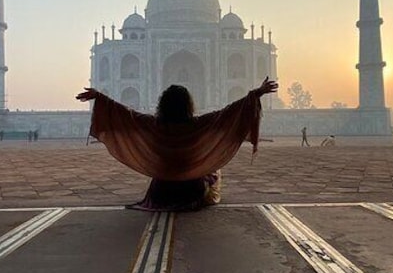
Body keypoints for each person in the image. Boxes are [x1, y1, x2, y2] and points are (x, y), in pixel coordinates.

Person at [76, 77, 278, 212]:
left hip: (160, 192)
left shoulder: (153, 125)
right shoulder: (197, 125)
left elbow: (124, 114)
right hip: (191, 191)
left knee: (202, 171)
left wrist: (99, 97)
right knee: (214, 171)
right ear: (189, 105)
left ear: (162, 104)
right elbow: (229, 113)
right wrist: (257, 93)